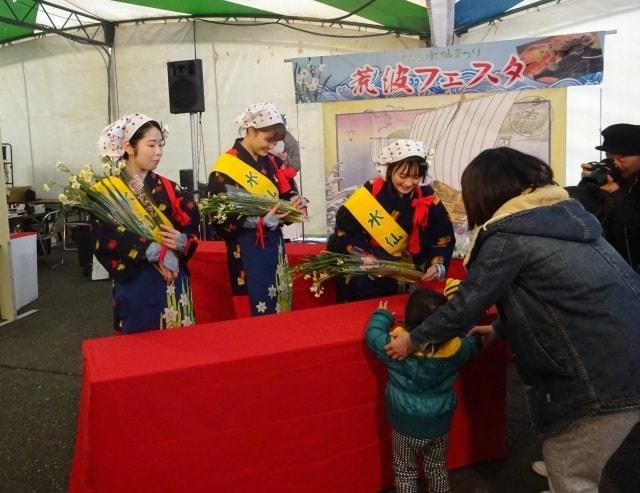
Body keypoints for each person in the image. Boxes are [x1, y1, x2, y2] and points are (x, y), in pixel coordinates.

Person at [385, 147, 640, 493]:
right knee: (565, 447)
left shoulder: (508, 237)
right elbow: (548, 294)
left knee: (572, 469)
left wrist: (414, 339)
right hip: (625, 352)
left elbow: (464, 307)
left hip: (604, 374)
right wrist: (498, 328)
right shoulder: (565, 220)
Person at [92, 113, 201, 333]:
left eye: (160, 145)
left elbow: (191, 228)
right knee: (142, 349)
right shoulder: (110, 192)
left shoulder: (171, 189)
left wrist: (183, 242)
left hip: (174, 280)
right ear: (129, 147)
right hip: (137, 282)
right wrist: (152, 251)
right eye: (151, 145)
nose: (158, 151)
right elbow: (103, 238)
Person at [365, 287, 480, 493]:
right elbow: (474, 343)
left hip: (404, 424)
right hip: (439, 424)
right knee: (437, 471)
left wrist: (381, 316)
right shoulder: (457, 349)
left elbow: (372, 336)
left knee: (405, 472)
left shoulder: (396, 347)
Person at [207, 102, 305, 316]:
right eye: (268, 140)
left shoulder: (272, 162)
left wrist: (294, 203)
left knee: (279, 302)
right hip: (245, 248)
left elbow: (285, 192)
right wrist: (257, 223)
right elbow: (218, 216)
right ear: (251, 130)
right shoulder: (226, 167)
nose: (271, 147)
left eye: (275, 142)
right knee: (252, 308)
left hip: (274, 245)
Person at [328, 139, 455, 302]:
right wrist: (365, 255)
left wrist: (437, 265)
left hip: (402, 269)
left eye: (416, 177)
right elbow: (346, 228)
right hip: (367, 263)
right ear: (389, 170)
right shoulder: (373, 190)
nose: (409, 183)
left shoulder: (427, 198)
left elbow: (443, 237)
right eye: (403, 176)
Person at [580, 123, 640, 272]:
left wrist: (615, 193)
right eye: (609, 157)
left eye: (622, 158)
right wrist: (589, 182)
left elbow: (634, 225)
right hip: (608, 265)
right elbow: (582, 216)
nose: (615, 164)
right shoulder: (611, 176)